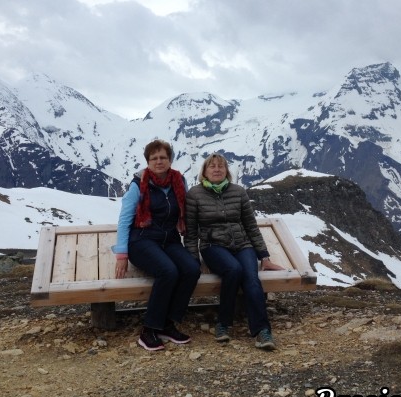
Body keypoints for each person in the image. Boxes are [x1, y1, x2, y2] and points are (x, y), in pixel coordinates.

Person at [185, 153, 284, 350]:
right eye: (212, 166)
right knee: (234, 270)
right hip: (213, 246)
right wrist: (193, 259)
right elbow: (190, 231)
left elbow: (250, 225)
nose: (216, 169)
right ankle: (223, 323)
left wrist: (263, 256)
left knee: (251, 277)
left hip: (242, 244)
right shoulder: (194, 195)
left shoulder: (238, 192)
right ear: (204, 172)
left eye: (221, 166)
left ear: (227, 171)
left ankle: (262, 331)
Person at [113, 139, 201, 351]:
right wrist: (122, 255)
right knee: (168, 271)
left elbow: (185, 212)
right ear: (148, 162)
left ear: (170, 160)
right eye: (154, 158)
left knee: (191, 269)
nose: (159, 161)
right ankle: (149, 329)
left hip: (168, 239)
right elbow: (125, 220)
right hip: (141, 240)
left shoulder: (179, 181)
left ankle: (168, 324)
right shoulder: (138, 185)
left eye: (163, 157)